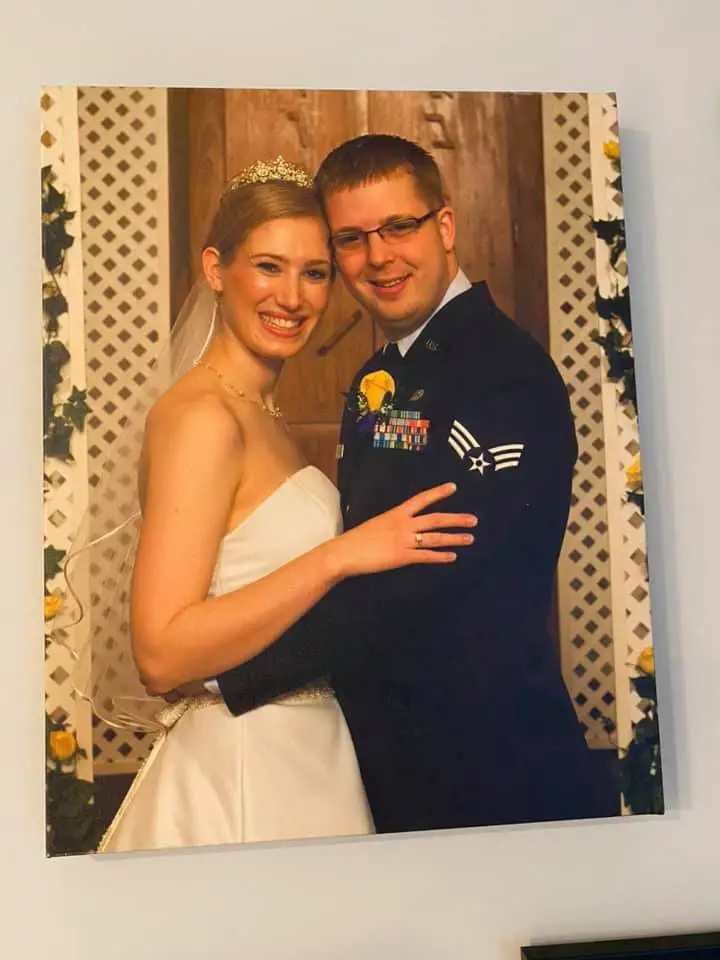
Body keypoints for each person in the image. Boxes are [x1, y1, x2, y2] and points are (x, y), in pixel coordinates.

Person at [210, 135, 618, 834]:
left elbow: (421, 580)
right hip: (389, 771)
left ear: (446, 226)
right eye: (353, 238)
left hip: (489, 778)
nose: (379, 257)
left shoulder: (500, 373)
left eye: (400, 226)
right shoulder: (390, 372)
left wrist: (230, 678)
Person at [87, 157, 477, 853]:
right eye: (268, 267)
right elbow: (162, 651)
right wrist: (338, 557)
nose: (292, 297)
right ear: (215, 269)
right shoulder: (202, 418)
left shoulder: (264, 414)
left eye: (315, 272)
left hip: (313, 757)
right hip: (246, 772)